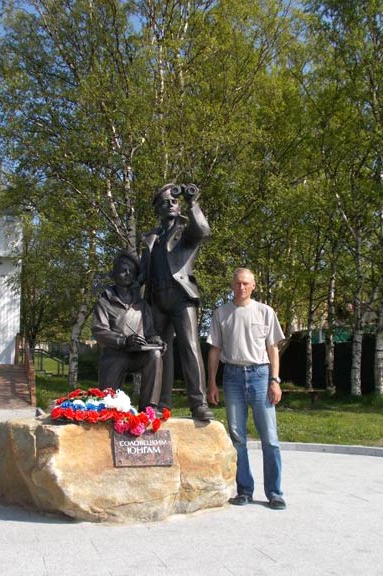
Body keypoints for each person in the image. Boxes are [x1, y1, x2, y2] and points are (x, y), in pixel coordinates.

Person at [206, 267, 287, 510]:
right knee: (237, 438)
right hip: (232, 377)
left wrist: (275, 380)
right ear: (232, 285)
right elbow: (214, 350)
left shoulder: (265, 312)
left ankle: (274, 492)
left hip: (261, 375)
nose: (241, 287)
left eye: (246, 283)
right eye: (238, 283)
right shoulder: (221, 313)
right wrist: (212, 382)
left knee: (270, 438)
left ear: (253, 286)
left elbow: (273, 349)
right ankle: (244, 490)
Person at [140, 182, 213, 421]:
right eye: (165, 202)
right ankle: (160, 404)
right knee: (160, 352)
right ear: (158, 209)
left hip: (181, 297)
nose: (171, 205)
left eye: (174, 201)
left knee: (190, 347)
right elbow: (142, 272)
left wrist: (193, 204)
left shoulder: (185, 230)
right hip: (157, 299)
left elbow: (203, 230)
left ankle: (198, 404)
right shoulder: (151, 237)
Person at [92, 252, 164, 411]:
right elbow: (99, 330)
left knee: (155, 355)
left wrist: (156, 340)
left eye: (131, 271)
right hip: (114, 355)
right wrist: (123, 340)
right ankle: (111, 409)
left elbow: (150, 332)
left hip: (138, 355)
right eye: (123, 270)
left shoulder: (142, 305)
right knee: (108, 407)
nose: (128, 274)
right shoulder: (104, 301)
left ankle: (149, 408)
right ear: (113, 273)